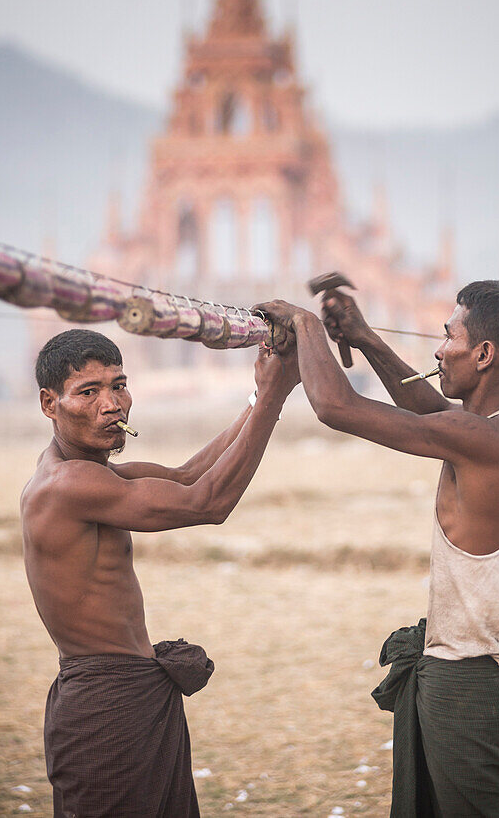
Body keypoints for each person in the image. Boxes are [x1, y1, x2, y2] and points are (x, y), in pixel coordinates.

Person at [257, 280, 499, 818]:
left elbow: (335, 406)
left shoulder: (482, 440)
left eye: (448, 336)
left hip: (469, 686)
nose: (439, 350)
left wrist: (306, 326)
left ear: (484, 354)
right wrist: (365, 339)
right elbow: (431, 414)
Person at [21, 328, 299, 818]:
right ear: (50, 404)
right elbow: (208, 502)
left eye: (119, 385)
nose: (112, 405)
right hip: (107, 708)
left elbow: (189, 476)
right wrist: (276, 398)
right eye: (89, 392)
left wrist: (260, 393)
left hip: (128, 695)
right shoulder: (68, 483)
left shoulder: (90, 468)